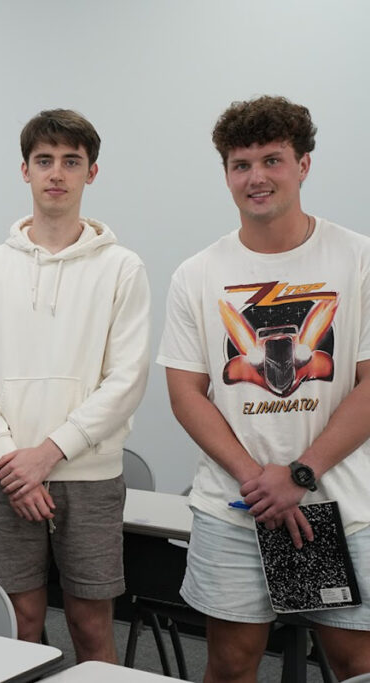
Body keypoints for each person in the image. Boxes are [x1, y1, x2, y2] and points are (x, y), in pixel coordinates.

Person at [158, 95, 370, 682]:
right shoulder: (198, 274)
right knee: (230, 665)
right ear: (226, 173)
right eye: (241, 164)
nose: (256, 177)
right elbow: (186, 393)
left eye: (272, 160)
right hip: (239, 509)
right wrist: (262, 483)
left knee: (352, 666)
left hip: (331, 503)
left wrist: (297, 476)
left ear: (303, 165)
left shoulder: (356, 260)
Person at [0, 109, 150, 661]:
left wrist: (48, 454)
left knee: (91, 627)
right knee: (18, 624)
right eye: (45, 161)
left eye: (71, 161)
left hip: (88, 476)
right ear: (25, 171)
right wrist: (13, 461)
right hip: (7, 474)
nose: (56, 173)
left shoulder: (122, 267)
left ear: (92, 172)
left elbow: (126, 380)